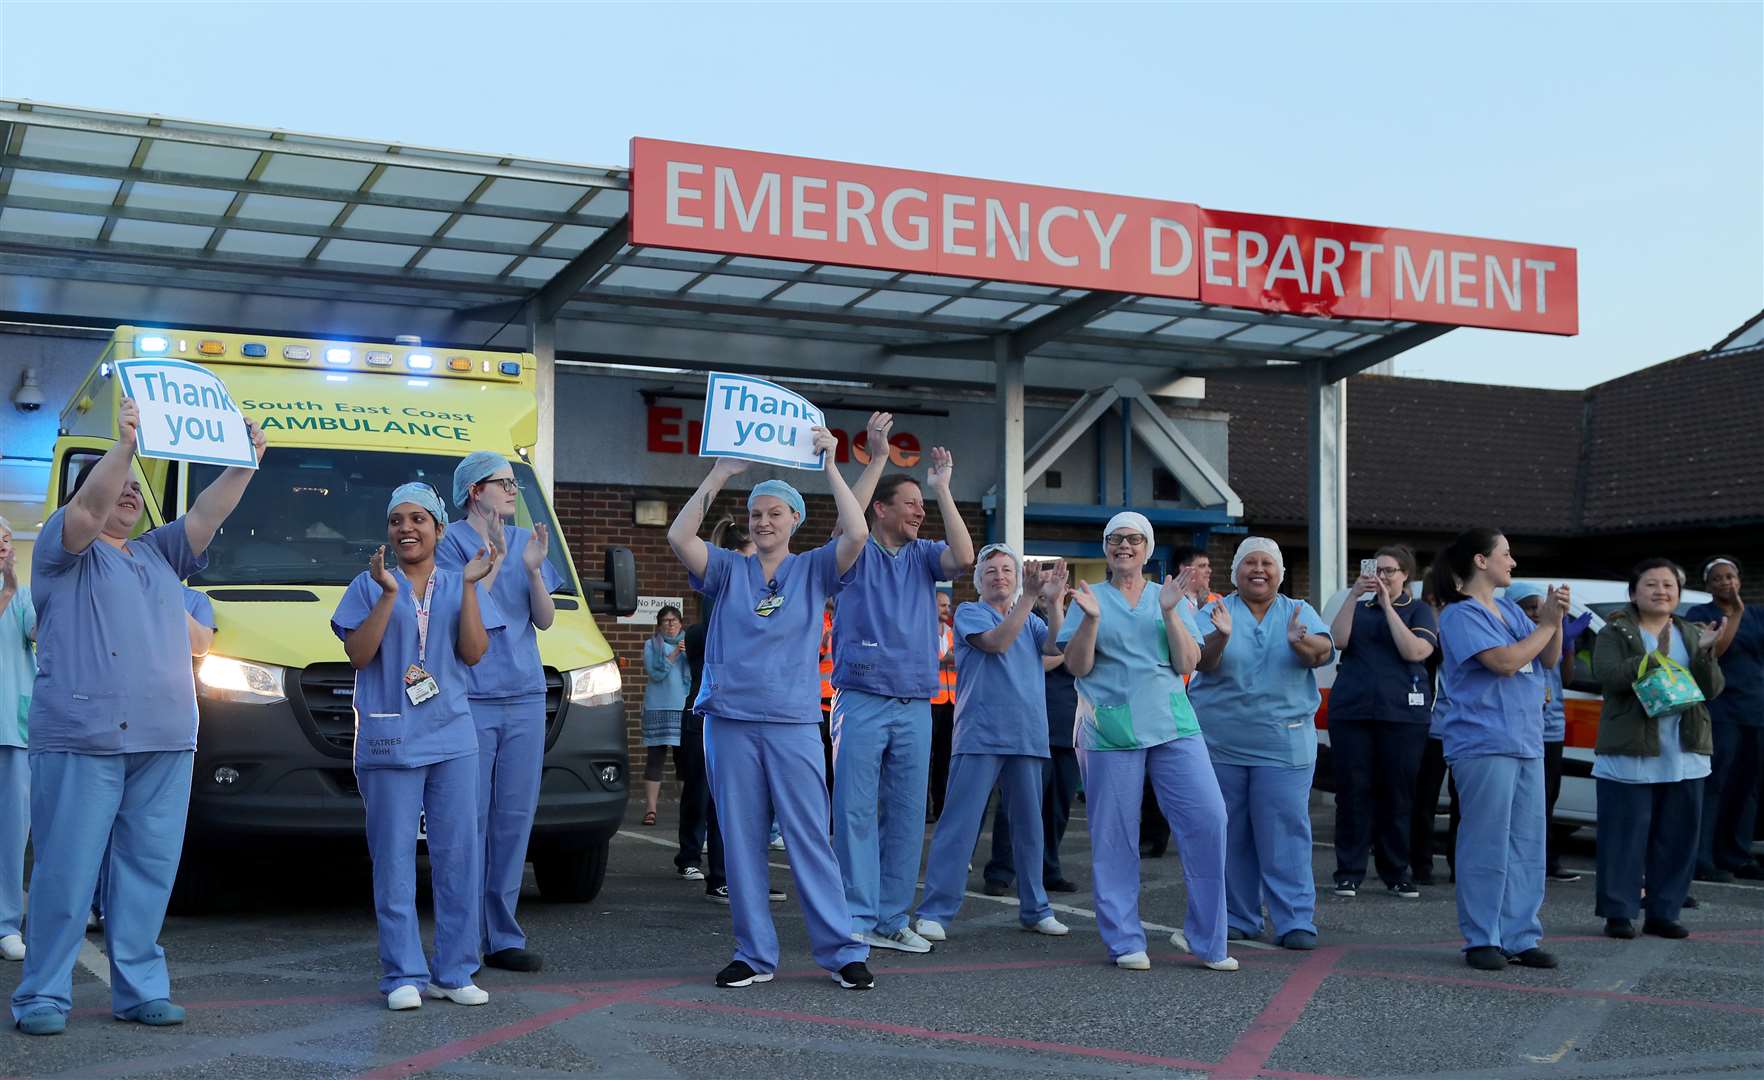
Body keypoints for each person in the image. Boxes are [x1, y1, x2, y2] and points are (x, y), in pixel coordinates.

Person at [12, 399, 262, 1036]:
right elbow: (89, 512)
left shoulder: (158, 555)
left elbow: (207, 514)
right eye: (116, 485)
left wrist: (245, 464)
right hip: (82, 740)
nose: (128, 494)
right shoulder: (60, 551)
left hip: (165, 742)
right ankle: (42, 994)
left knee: (148, 874)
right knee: (66, 873)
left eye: (135, 488)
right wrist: (122, 447)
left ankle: (139, 989)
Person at [667, 432, 875, 991]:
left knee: (809, 835)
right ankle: (754, 953)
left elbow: (857, 530)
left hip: (791, 723)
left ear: (794, 520)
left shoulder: (814, 568)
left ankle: (841, 950)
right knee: (738, 838)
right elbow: (677, 534)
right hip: (728, 722)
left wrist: (832, 465)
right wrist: (719, 476)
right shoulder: (727, 570)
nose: (762, 522)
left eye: (774, 513)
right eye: (756, 514)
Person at [333, 482, 501, 1011]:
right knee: (394, 857)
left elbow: (474, 652)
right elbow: (359, 655)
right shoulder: (368, 583)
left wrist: (471, 587)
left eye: (418, 519)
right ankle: (402, 973)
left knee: (458, 857)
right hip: (390, 739)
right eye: (396, 520)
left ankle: (453, 971)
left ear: (438, 528)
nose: (406, 528)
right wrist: (388, 595)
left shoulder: (459, 582)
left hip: (452, 736)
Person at [1059, 512, 1234, 973]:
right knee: (1115, 835)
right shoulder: (1088, 597)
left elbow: (1188, 660)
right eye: (1115, 540)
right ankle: (1124, 939)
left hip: (1172, 722)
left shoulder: (1168, 596)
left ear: (1148, 548)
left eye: (1134, 539)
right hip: (1110, 727)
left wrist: (1173, 612)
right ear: (1105, 548)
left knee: (1208, 818)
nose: (1124, 546)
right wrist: (1092, 621)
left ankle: (1209, 939)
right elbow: (1076, 666)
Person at [829, 411, 975, 954]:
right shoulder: (856, 547)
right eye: (909, 502)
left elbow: (964, 557)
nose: (918, 510)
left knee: (909, 816)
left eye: (921, 504)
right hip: (862, 698)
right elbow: (852, 523)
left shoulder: (921, 555)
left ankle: (891, 919)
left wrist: (941, 491)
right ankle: (857, 915)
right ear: (882, 509)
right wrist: (880, 457)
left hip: (915, 701)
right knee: (856, 812)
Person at [436, 451, 561, 974]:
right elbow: (456, 616)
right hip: (472, 697)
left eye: (515, 482)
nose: (513, 490)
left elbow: (546, 619)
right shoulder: (448, 545)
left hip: (525, 697)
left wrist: (530, 570)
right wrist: (489, 568)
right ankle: (464, 938)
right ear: (474, 491)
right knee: (471, 822)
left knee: (513, 820)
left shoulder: (528, 541)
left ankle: (503, 935)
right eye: (503, 483)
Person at [914, 547, 1071, 942]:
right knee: (959, 826)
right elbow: (998, 642)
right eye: (991, 569)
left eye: (1007, 569)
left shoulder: (1031, 618)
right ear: (978, 578)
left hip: (1027, 734)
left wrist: (1053, 604)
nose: (999, 575)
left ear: (1017, 577)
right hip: (981, 734)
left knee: (1030, 830)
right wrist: (1032, 599)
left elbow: (1056, 648)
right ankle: (936, 910)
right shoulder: (969, 611)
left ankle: (1036, 909)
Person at [1427, 528, 1565, 972]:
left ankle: (1520, 936)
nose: (1514, 562)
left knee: (1527, 844)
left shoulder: (1507, 609)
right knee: (1486, 842)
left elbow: (1547, 659)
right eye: (1506, 554)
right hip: (1484, 742)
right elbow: (1504, 663)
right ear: (1481, 561)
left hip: (1526, 741)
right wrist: (1544, 625)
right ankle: (1483, 937)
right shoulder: (1460, 614)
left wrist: (1554, 619)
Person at [1190, 538, 1334, 950]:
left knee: (1285, 833)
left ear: (1280, 572)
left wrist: (1299, 642)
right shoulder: (1214, 611)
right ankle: (1239, 915)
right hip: (1222, 744)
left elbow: (1321, 653)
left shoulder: (1298, 610)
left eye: (1267, 563)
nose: (1258, 569)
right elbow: (1204, 661)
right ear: (1235, 572)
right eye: (1249, 562)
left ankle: (1294, 920)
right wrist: (1219, 637)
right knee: (1231, 833)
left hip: (1283, 745)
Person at [1588, 559, 1722, 939]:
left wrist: (1707, 655)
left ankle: (1664, 912)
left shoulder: (1692, 632)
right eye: (1652, 584)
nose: (1661, 591)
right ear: (1634, 592)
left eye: (1669, 586)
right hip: (1631, 748)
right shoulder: (1617, 630)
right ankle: (1619, 912)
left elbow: (1710, 691)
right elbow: (1609, 677)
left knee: (1677, 838)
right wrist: (1651, 656)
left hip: (1684, 748)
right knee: (1623, 837)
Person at [1327, 545, 1438, 900]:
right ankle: (1349, 872)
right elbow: (1338, 640)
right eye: (1379, 570)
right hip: (1353, 712)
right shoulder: (1358, 607)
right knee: (1353, 793)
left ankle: (1396, 871)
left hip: (1402, 715)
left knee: (1398, 795)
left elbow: (1415, 651)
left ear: (1406, 575)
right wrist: (1354, 596)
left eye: (1391, 571)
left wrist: (1389, 607)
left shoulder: (1419, 610)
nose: (1383, 577)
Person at [1508, 582, 1591, 884]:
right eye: (1529, 608)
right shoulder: (1512, 636)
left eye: (1538, 608)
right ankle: (1519, 863)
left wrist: (1566, 641)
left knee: (1546, 799)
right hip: (1520, 729)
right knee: (1520, 802)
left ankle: (1544, 860)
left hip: (1552, 728)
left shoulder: (1553, 631)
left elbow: (1565, 676)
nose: (1535, 613)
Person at [1686, 557, 1764, 881]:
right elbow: (1715, 652)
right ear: (1708, 585)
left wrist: (1743, 612)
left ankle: (1737, 855)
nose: (1724, 582)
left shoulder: (1759, 614)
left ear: (1739, 580)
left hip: (1755, 711)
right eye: (1717, 578)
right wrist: (1734, 614)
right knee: (1715, 784)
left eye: (1729, 576)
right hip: (1720, 712)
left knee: (1748, 787)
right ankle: (1703, 857)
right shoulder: (1700, 615)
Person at [1142, 545, 1217, 858]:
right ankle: (1152, 836)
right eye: (1201, 565)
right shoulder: (1160, 600)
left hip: (1207, 697)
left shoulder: (1217, 603)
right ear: (1185, 570)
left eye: (1209, 566)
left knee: (1198, 776)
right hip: (1172, 697)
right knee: (1154, 772)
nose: (1208, 571)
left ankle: (1199, 838)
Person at [0, 517, 35, 964]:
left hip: (14, 727)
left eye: (6, 539)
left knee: (12, 835)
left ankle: (6, 923)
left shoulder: (23, 594)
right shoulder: (12, 592)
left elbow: (40, 634)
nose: (3, 547)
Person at [640, 605, 691, 826]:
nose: (670, 625)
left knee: (684, 762)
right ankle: (651, 809)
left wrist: (689, 654)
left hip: (682, 708)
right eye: (665, 621)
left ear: (681, 623)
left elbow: (699, 672)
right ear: (659, 625)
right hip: (658, 707)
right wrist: (675, 653)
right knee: (655, 759)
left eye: (674, 620)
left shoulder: (691, 644)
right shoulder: (651, 645)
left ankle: (687, 810)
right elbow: (656, 672)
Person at [927, 589, 958, 822]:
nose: (946, 610)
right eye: (942, 605)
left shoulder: (952, 634)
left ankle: (941, 807)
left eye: (947, 605)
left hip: (950, 703)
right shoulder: (922, 631)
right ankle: (925, 808)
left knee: (945, 758)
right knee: (925, 758)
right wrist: (943, 661)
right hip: (930, 701)